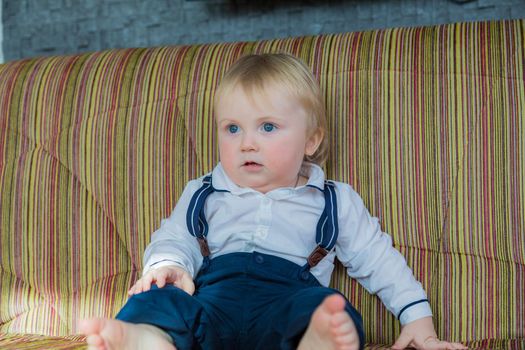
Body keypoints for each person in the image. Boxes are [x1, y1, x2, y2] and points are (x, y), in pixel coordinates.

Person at [80, 53, 467, 350]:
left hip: (286, 308)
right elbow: (174, 237)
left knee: (328, 306)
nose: (247, 142)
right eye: (233, 128)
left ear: (310, 141)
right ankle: (144, 339)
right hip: (210, 309)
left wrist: (417, 317)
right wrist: (168, 266)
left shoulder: (333, 200)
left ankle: (319, 340)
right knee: (159, 299)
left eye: (267, 127)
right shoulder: (203, 191)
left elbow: (378, 260)